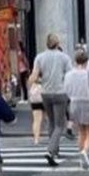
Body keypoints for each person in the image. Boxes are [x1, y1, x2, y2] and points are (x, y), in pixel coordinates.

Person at [29, 33, 71, 167]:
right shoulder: (64, 57)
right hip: (60, 92)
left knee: (51, 122)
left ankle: (55, 150)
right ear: (57, 43)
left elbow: (34, 76)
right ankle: (50, 149)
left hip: (45, 93)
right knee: (60, 124)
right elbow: (69, 75)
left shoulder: (39, 57)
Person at [63, 50, 89, 169]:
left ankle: (81, 158)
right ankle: (84, 151)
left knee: (81, 131)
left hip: (74, 103)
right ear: (87, 61)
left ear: (75, 60)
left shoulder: (69, 74)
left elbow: (66, 90)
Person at [28, 79, 44, 145]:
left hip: (35, 97)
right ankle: (52, 137)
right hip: (45, 94)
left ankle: (36, 139)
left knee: (36, 120)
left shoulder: (34, 72)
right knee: (49, 119)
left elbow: (30, 81)